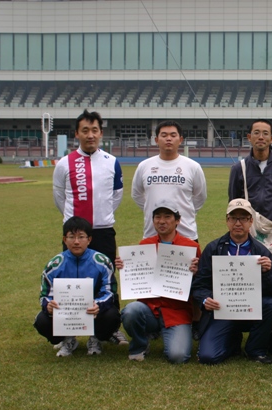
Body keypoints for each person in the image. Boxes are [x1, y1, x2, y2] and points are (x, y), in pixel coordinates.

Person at [52, 109, 127, 345]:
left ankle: (110, 328)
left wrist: (101, 215)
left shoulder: (111, 162)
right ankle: (69, 331)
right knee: (71, 278)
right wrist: (74, 223)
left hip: (103, 230)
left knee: (107, 279)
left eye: (95, 130)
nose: (90, 135)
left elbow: (116, 195)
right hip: (75, 232)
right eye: (85, 130)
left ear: (101, 133)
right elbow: (59, 196)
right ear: (77, 134)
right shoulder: (64, 163)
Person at [191, 199, 272, 365]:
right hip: (221, 310)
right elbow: (199, 285)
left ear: (251, 221)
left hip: (250, 309)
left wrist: (267, 272)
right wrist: (205, 299)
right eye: (233, 218)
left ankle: (255, 349)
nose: (238, 223)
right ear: (227, 220)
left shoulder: (261, 251)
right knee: (208, 357)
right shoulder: (213, 248)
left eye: (243, 218)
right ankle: (232, 342)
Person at [116, 202, 200, 363]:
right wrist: (125, 266)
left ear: (177, 220)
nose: (162, 221)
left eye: (167, 217)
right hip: (149, 308)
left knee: (178, 356)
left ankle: (169, 332)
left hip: (177, 312)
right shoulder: (145, 245)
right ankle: (140, 345)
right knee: (131, 311)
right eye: (157, 217)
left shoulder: (190, 247)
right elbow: (137, 274)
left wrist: (195, 273)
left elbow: (200, 283)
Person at [34, 216, 121, 357]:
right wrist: (48, 305)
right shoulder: (54, 265)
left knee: (112, 315)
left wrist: (98, 305)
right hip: (66, 312)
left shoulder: (102, 262)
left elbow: (110, 292)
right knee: (42, 321)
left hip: (93, 312)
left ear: (89, 239)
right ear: (64, 239)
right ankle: (67, 339)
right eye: (71, 237)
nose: (76, 242)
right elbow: (45, 295)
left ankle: (96, 338)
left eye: (81, 237)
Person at [228, 118, 272, 280]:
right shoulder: (239, 168)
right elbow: (233, 201)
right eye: (256, 133)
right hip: (248, 230)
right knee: (248, 272)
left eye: (265, 133)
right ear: (249, 137)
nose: (261, 137)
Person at [131, 120, 207, 241]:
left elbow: (200, 196)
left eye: (173, 135)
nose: (168, 139)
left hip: (186, 234)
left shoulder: (193, 167)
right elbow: (136, 194)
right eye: (164, 135)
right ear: (156, 140)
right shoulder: (144, 166)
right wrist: (152, 209)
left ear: (180, 139)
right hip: (152, 234)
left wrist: (184, 212)